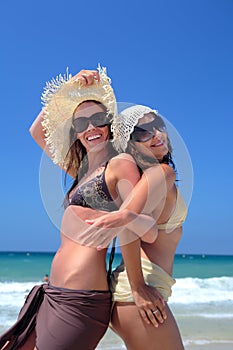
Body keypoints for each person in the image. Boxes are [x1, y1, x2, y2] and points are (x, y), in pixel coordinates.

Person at [0, 68, 163, 350]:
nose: (91, 128)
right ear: (74, 132)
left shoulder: (120, 164)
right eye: (81, 123)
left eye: (99, 119)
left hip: (80, 300)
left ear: (110, 125)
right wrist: (70, 87)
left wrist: (137, 286)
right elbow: (37, 130)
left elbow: (133, 226)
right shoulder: (81, 172)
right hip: (52, 294)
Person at [68, 102, 188, 349]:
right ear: (130, 143)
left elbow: (129, 220)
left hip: (132, 294)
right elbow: (126, 221)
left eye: (158, 125)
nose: (157, 134)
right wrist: (139, 287)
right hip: (140, 294)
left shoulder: (144, 177)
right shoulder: (162, 173)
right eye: (143, 131)